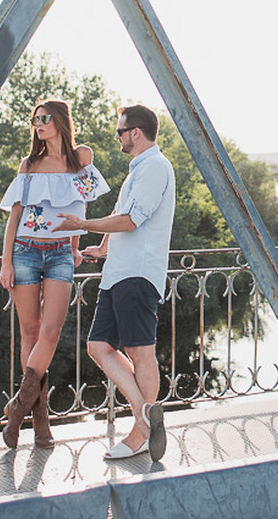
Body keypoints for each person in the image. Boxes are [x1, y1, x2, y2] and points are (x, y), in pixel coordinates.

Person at [52, 104, 175, 462]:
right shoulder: (138, 170)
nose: (117, 136)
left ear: (136, 133)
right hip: (119, 271)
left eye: (120, 131)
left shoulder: (154, 167)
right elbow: (127, 219)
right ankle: (145, 412)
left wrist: (84, 225)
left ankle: (139, 434)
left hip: (137, 273)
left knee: (140, 352)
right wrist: (102, 248)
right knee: (98, 345)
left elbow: (132, 221)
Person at [0, 98, 110, 449]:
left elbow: (81, 203)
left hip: (61, 254)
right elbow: (14, 217)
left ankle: (17, 409)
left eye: (45, 118)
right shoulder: (28, 164)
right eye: (35, 120)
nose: (39, 124)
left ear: (60, 120)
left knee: (51, 330)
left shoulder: (82, 158)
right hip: (25, 252)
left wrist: (75, 246)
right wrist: (6, 262)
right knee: (29, 333)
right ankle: (39, 417)